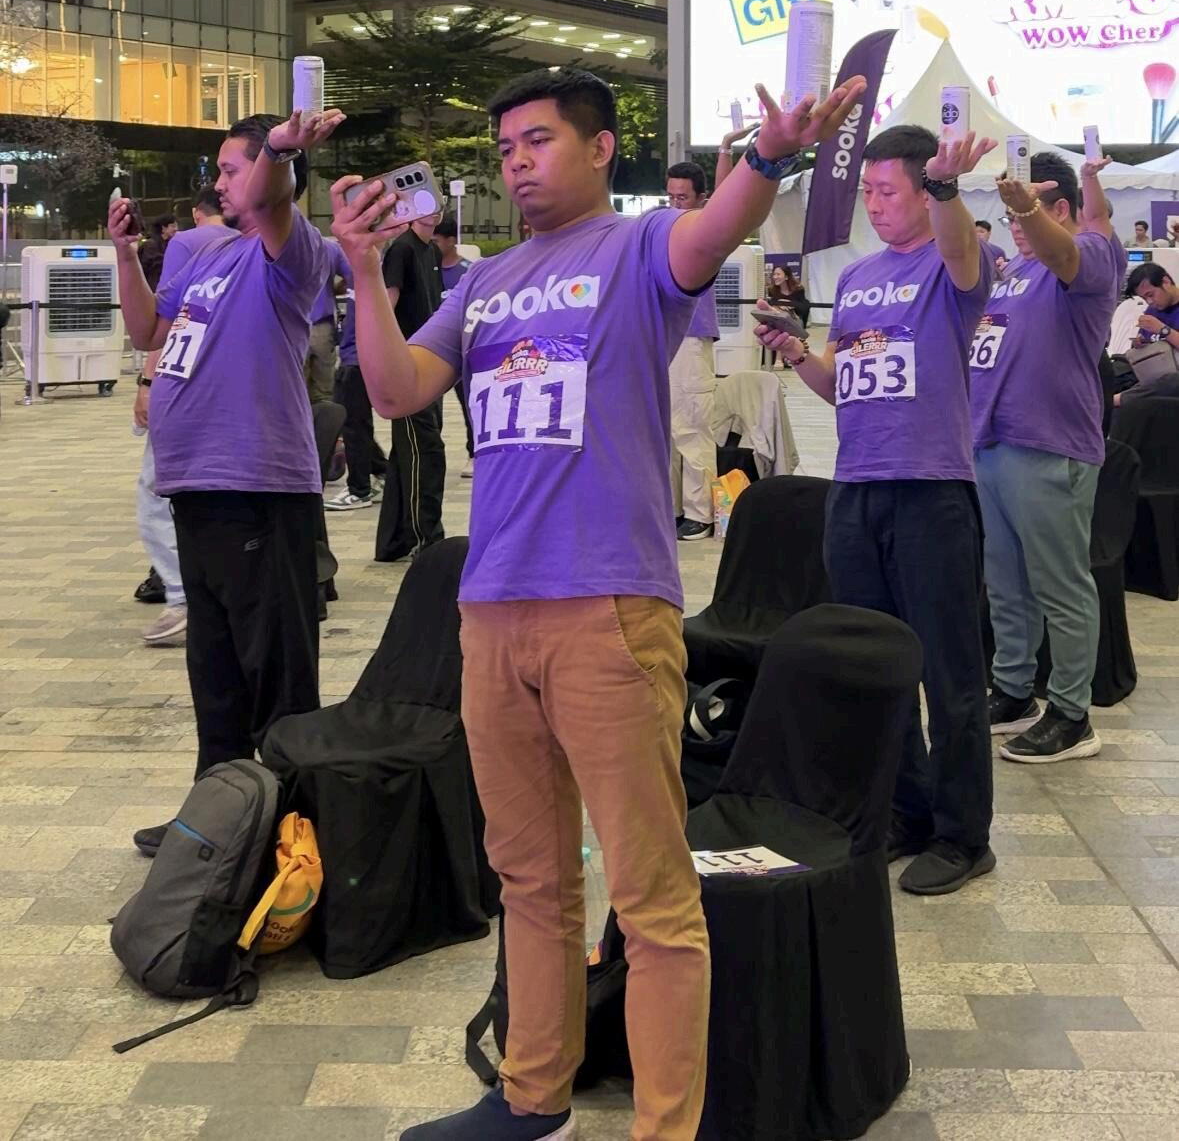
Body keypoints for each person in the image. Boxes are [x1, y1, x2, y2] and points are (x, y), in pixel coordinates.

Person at [332, 64, 865, 1141]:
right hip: (493, 611)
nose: (517, 160)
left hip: (610, 612)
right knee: (527, 877)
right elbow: (394, 393)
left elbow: (715, 229)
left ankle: (666, 1127)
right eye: (506, 146)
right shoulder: (482, 284)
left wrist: (767, 158)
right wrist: (361, 272)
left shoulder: (634, 251)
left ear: (599, 149)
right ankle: (536, 1095)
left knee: (652, 897)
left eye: (537, 139)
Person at [760, 122, 997, 896]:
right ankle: (907, 811)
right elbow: (844, 384)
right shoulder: (859, 278)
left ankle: (965, 836)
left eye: (886, 189)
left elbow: (961, 251)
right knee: (874, 665)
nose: (873, 201)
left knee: (950, 673)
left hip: (930, 491)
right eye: (867, 189)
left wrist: (944, 191)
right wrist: (799, 354)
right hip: (855, 488)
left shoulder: (953, 259)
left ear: (923, 190)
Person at [109, 104, 344, 856]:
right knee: (213, 671)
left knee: (272, 671)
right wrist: (124, 256)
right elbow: (150, 333)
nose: (219, 181)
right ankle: (215, 817)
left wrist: (277, 150)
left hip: (258, 487)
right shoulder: (201, 252)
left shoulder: (289, 253)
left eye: (230, 168)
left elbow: (274, 201)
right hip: (196, 485)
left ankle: (287, 828)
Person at [973, 152, 1125, 763]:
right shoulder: (1013, 272)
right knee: (1006, 583)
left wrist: (1032, 208)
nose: (1015, 221)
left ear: (1058, 208)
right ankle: (1014, 691)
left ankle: (1071, 711)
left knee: (1060, 585)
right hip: (993, 442)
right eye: (1011, 211)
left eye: (1030, 207)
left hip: (1050, 445)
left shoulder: (1088, 257)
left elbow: (1072, 247)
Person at [135, 191, 235, 645]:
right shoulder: (251, 245)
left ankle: (183, 594)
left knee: (156, 492)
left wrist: (147, 383)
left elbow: (168, 321)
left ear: (195, 214)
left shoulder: (190, 244)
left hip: (184, 384)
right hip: (223, 389)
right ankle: (199, 592)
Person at [372, 208, 446, 562]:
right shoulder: (401, 249)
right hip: (407, 367)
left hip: (432, 363)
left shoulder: (431, 251)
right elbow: (386, 305)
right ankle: (427, 540)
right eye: (427, 206)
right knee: (425, 452)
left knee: (409, 453)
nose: (435, 213)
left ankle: (393, 541)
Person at [666, 162, 719, 542]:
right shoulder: (662, 228)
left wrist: (724, 150)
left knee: (691, 427)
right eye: (670, 196)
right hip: (659, 337)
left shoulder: (708, 228)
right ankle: (670, 507)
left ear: (702, 198)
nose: (675, 204)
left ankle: (701, 512)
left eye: (682, 197)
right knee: (662, 431)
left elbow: (734, 193)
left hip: (691, 338)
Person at [327, 273, 390, 512]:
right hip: (351, 355)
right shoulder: (354, 270)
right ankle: (382, 470)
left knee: (353, 423)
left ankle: (359, 489)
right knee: (353, 421)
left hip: (360, 358)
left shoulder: (376, 270)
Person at [434, 214, 475, 477]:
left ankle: (474, 453)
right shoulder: (426, 269)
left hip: (462, 351)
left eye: (436, 240)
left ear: (451, 241)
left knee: (470, 406)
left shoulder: (468, 272)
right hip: (432, 354)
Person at [305, 239, 348, 405]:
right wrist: (332, 290)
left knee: (294, 391)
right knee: (324, 393)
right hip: (322, 327)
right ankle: (323, 430)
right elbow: (352, 277)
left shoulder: (277, 245)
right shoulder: (330, 247)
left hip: (290, 327)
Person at [137, 213, 178, 292]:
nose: (176, 229)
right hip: (152, 289)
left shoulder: (170, 244)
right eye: (173, 226)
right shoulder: (150, 245)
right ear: (163, 228)